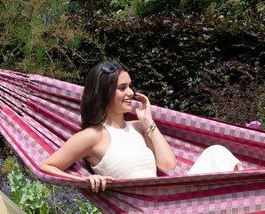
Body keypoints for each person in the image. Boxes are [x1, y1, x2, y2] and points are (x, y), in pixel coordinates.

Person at [41, 62, 242, 192]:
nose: (130, 93)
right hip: (150, 211)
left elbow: (167, 164)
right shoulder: (93, 136)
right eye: (122, 88)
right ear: (104, 93)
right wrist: (84, 181)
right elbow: (47, 166)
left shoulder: (138, 127)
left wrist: (148, 121)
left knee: (217, 153)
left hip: (169, 199)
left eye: (130, 86)